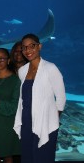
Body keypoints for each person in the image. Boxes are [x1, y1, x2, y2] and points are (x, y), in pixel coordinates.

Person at [13, 33, 66, 163]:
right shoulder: (22, 71)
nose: (28, 50)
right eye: (24, 47)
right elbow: (23, 98)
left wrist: (51, 119)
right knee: (27, 157)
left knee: (42, 158)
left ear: (39, 46)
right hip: (26, 122)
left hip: (45, 123)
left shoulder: (50, 68)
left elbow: (61, 98)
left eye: (32, 46)